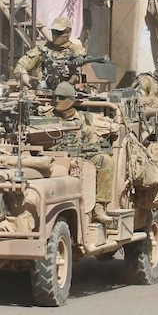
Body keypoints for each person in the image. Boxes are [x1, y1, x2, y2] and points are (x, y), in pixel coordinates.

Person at [49, 82, 116, 225]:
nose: (57, 101)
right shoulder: (46, 116)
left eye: (61, 97)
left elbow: (94, 141)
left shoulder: (82, 119)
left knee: (105, 161)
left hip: (79, 156)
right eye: (55, 97)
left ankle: (99, 207)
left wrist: (88, 148)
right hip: (53, 157)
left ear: (70, 100)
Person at [14, 16, 86, 91]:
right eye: (54, 32)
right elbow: (20, 67)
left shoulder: (77, 51)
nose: (56, 35)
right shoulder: (42, 50)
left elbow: (84, 67)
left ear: (69, 32)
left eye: (59, 32)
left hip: (70, 93)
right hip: (44, 93)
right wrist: (33, 85)